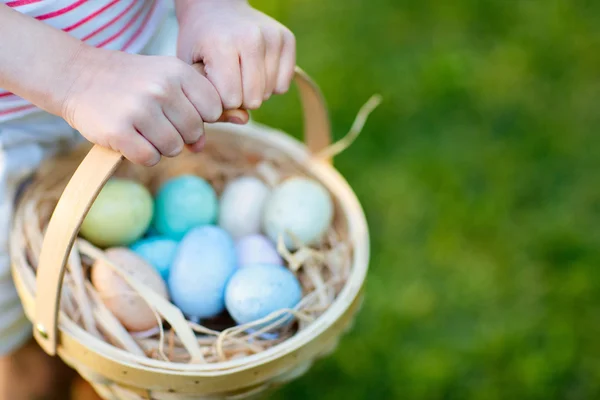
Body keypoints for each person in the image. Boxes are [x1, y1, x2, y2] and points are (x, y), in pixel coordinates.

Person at [0, 0, 296, 398]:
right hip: (10, 123)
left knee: (203, 183)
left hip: (151, 58)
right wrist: (77, 76)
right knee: (15, 342)